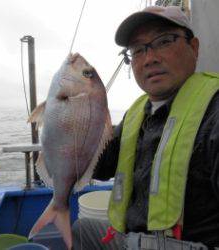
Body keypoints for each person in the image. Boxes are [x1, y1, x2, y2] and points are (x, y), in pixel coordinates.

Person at [72, 5, 219, 250]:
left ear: (193, 47)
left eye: (164, 41)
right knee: (83, 230)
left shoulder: (213, 111)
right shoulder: (138, 112)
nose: (150, 58)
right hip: (131, 238)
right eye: (138, 50)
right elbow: (99, 165)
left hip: (186, 244)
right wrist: (75, 123)